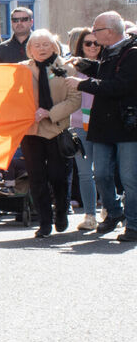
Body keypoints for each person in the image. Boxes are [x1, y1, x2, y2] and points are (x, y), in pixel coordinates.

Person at [66, 11, 137, 241]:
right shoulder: (108, 51)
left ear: (110, 31)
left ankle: (134, 225)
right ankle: (114, 212)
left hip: (127, 126)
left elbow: (118, 86)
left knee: (128, 177)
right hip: (103, 124)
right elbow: (104, 73)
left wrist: (83, 85)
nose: (93, 36)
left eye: (96, 30)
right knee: (102, 174)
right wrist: (83, 64)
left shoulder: (133, 53)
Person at [18, 30, 81, 238]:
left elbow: (74, 100)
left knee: (58, 176)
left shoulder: (66, 68)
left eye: (46, 44)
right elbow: (11, 97)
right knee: (36, 178)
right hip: (31, 130)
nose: (42, 49)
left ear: (54, 46)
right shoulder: (21, 69)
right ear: (30, 49)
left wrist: (50, 113)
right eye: (37, 45)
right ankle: (44, 221)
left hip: (56, 129)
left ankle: (61, 212)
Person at [66, 27, 101, 230]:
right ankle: (90, 215)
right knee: (86, 173)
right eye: (88, 43)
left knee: (105, 172)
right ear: (81, 45)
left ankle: (109, 208)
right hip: (79, 125)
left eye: (96, 43)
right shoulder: (73, 67)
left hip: (106, 125)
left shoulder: (108, 65)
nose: (93, 46)